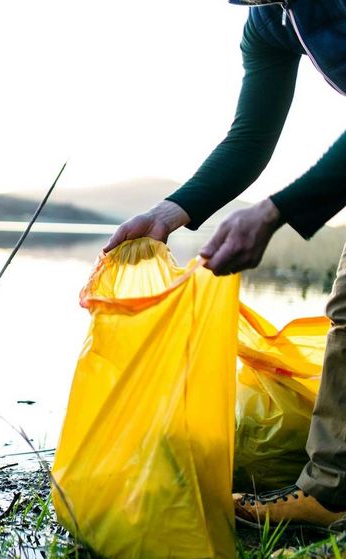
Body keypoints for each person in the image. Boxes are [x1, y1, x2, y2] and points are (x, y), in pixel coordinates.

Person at [105, 1, 346, 532]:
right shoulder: (268, 23)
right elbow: (250, 138)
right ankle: (329, 494)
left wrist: (274, 211)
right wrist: (171, 211)